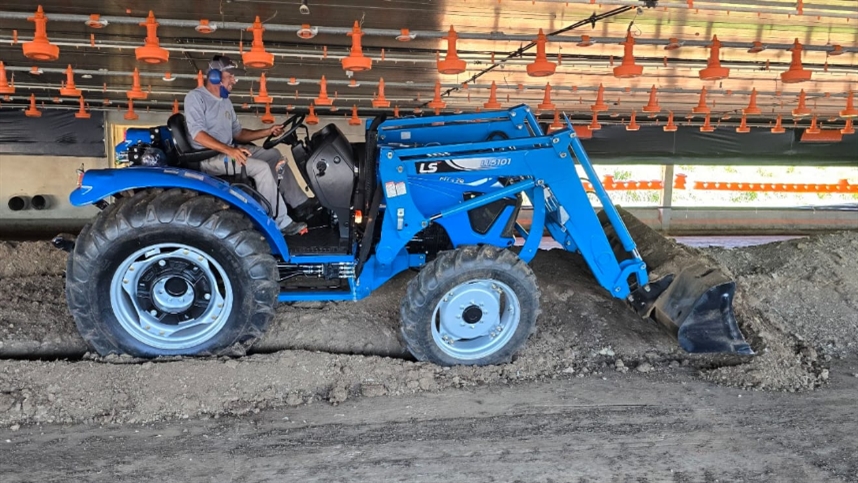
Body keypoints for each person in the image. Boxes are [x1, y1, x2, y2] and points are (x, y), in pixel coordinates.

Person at [183, 55, 308, 236]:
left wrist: (267, 132)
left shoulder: (225, 102)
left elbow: (238, 134)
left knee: (274, 155)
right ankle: (279, 222)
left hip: (228, 150)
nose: (234, 80)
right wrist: (230, 150)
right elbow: (198, 135)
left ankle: (300, 204)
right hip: (208, 156)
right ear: (215, 76)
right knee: (262, 169)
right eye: (231, 75)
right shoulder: (195, 98)